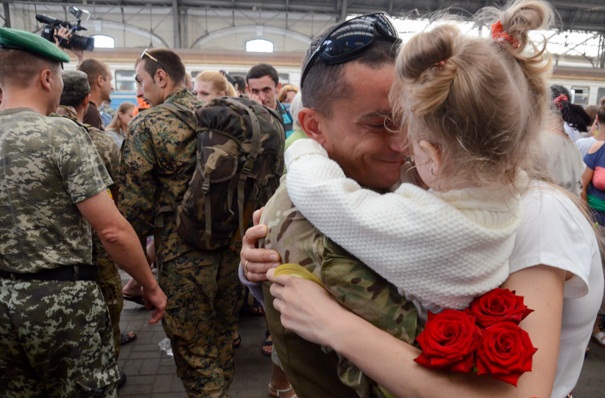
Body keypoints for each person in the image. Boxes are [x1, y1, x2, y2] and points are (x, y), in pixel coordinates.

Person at [242, 2, 603, 398]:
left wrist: (334, 325)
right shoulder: (445, 189)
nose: (401, 144)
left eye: (407, 121)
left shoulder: (538, 214)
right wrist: (266, 251)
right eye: (380, 123)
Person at [0, 27, 166, 397]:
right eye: (59, 75)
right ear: (46, 78)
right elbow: (111, 230)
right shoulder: (61, 135)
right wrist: (150, 286)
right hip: (62, 301)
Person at [119, 48, 242, 397]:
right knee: (221, 340)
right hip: (231, 251)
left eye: (141, 81)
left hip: (182, 257)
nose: (140, 91)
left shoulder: (148, 124)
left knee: (195, 354)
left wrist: (141, 276)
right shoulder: (223, 114)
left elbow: (133, 212)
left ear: (162, 77)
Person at [246, 63, 294, 138]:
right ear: (248, 90)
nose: (261, 97)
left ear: (278, 88)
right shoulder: (243, 119)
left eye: (266, 90)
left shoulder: (292, 114)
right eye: (255, 91)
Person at [78, 58, 114, 130]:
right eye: (110, 80)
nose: (112, 87)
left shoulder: (84, 109)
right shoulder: (91, 113)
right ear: (100, 81)